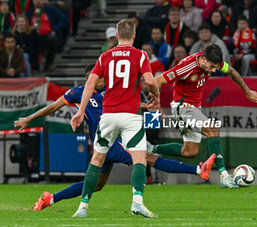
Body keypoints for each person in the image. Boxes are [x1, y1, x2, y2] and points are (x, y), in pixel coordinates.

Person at [14, 64, 214, 211]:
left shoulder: (110, 93)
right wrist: (29, 118)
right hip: (109, 143)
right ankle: (198, 169)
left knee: (96, 185)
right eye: (99, 77)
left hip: (106, 146)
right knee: (146, 158)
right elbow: (53, 106)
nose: (103, 79)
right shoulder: (79, 93)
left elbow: (131, 106)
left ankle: (50, 199)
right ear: (90, 79)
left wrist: (149, 108)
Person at [69, 19, 161, 218]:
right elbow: (150, 81)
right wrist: (156, 95)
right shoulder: (140, 55)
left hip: (108, 115)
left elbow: (89, 85)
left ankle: (82, 207)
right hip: (131, 115)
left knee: (96, 160)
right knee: (139, 160)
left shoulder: (105, 56)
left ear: (117, 36)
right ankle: (137, 201)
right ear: (134, 36)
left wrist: (80, 111)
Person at [148, 43, 257, 189]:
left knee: (189, 151)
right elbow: (157, 81)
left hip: (194, 108)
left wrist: (247, 91)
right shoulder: (187, 67)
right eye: (212, 67)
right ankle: (224, 176)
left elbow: (231, 71)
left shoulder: (214, 61)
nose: (214, 71)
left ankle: (151, 148)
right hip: (183, 107)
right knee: (212, 129)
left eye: (216, 67)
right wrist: (157, 106)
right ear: (203, 59)